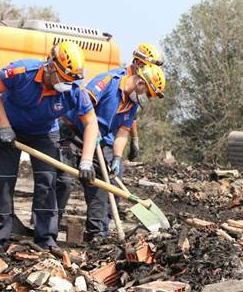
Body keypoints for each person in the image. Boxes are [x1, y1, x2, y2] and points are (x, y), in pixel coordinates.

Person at [0, 42, 99, 253]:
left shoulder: (73, 91)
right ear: (51, 66)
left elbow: (91, 122)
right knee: (4, 181)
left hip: (44, 133)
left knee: (47, 182)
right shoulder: (21, 72)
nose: (67, 84)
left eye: (71, 80)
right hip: (11, 128)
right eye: (64, 79)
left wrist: (87, 161)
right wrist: (5, 126)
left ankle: (45, 240)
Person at [56, 62, 166, 239]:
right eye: (149, 94)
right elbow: (84, 103)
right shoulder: (108, 82)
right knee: (63, 181)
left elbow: (123, 132)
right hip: (72, 133)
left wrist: (116, 157)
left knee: (101, 185)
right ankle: (49, 229)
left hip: (97, 142)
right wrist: (91, 126)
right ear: (140, 84)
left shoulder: (132, 104)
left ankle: (96, 234)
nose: (148, 99)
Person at [127, 43, 164, 161]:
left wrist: (134, 140)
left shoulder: (140, 88)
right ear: (139, 63)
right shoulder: (125, 79)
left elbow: (131, 116)